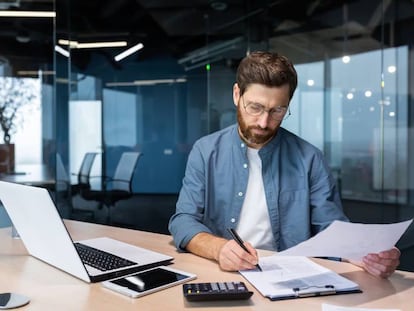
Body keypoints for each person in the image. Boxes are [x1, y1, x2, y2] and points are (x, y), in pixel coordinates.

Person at [168, 51, 400, 278]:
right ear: (237, 94)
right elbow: (183, 220)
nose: (264, 122)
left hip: (288, 277)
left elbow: (330, 228)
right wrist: (219, 249)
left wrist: (362, 254)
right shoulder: (205, 151)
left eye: (277, 110)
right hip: (222, 272)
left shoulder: (309, 158)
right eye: (255, 107)